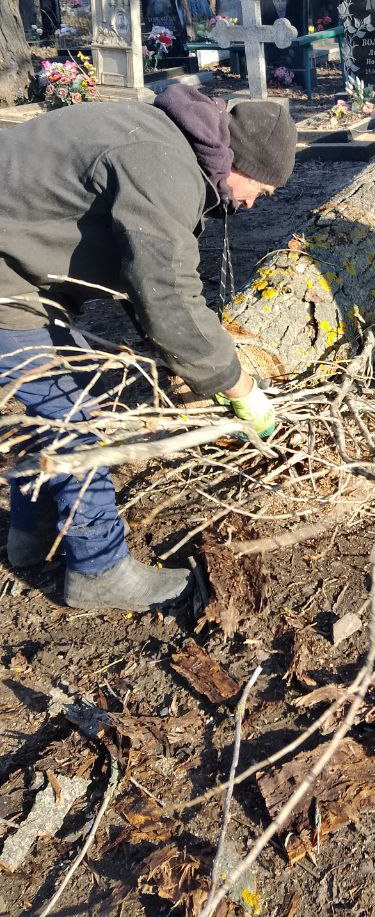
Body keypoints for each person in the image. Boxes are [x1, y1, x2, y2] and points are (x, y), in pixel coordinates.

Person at [0, 87, 297, 611]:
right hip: (7, 280)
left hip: (18, 271)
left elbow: (142, 278)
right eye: (261, 189)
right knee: (75, 417)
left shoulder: (162, 141)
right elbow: (167, 295)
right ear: (239, 161)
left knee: (51, 403)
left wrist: (180, 360)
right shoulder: (163, 166)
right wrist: (237, 385)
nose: (252, 203)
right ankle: (99, 570)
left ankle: (33, 534)